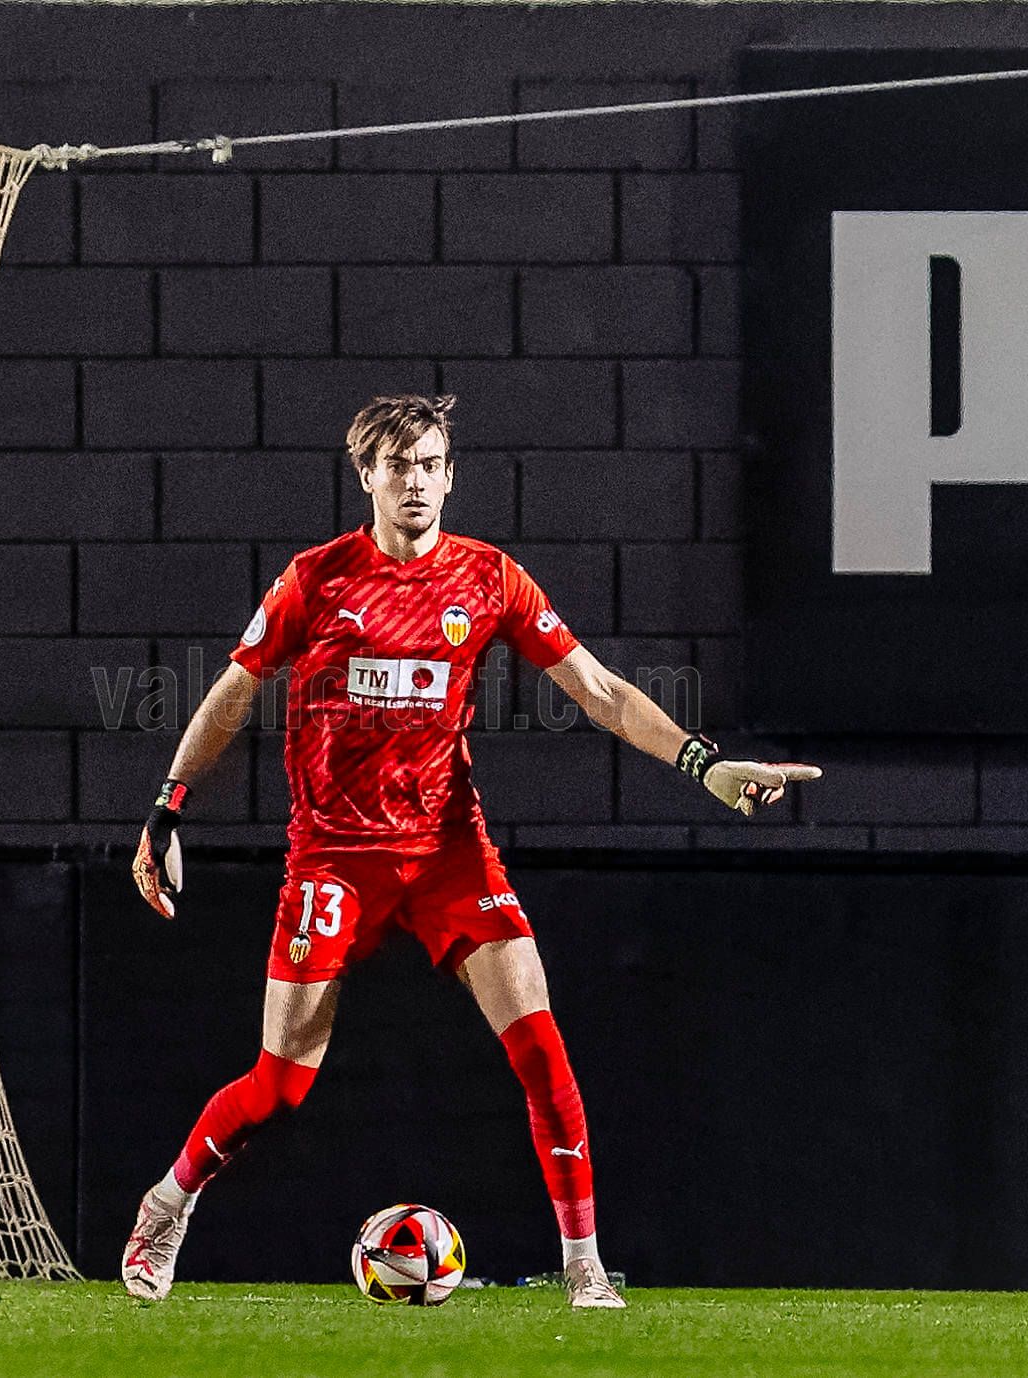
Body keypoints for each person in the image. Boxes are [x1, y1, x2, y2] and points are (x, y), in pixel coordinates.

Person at [123, 394, 820, 1308]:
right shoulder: (316, 580)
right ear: (366, 476)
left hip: (449, 853)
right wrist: (167, 808)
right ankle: (168, 1203)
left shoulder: (488, 578)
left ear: (451, 476)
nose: (415, 482)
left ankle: (583, 1264)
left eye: (430, 465)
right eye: (398, 466)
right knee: (281, 1085)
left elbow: (599, 690)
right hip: (334, 858)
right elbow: (233, 690)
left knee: (542, 1051)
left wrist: (706, 765)